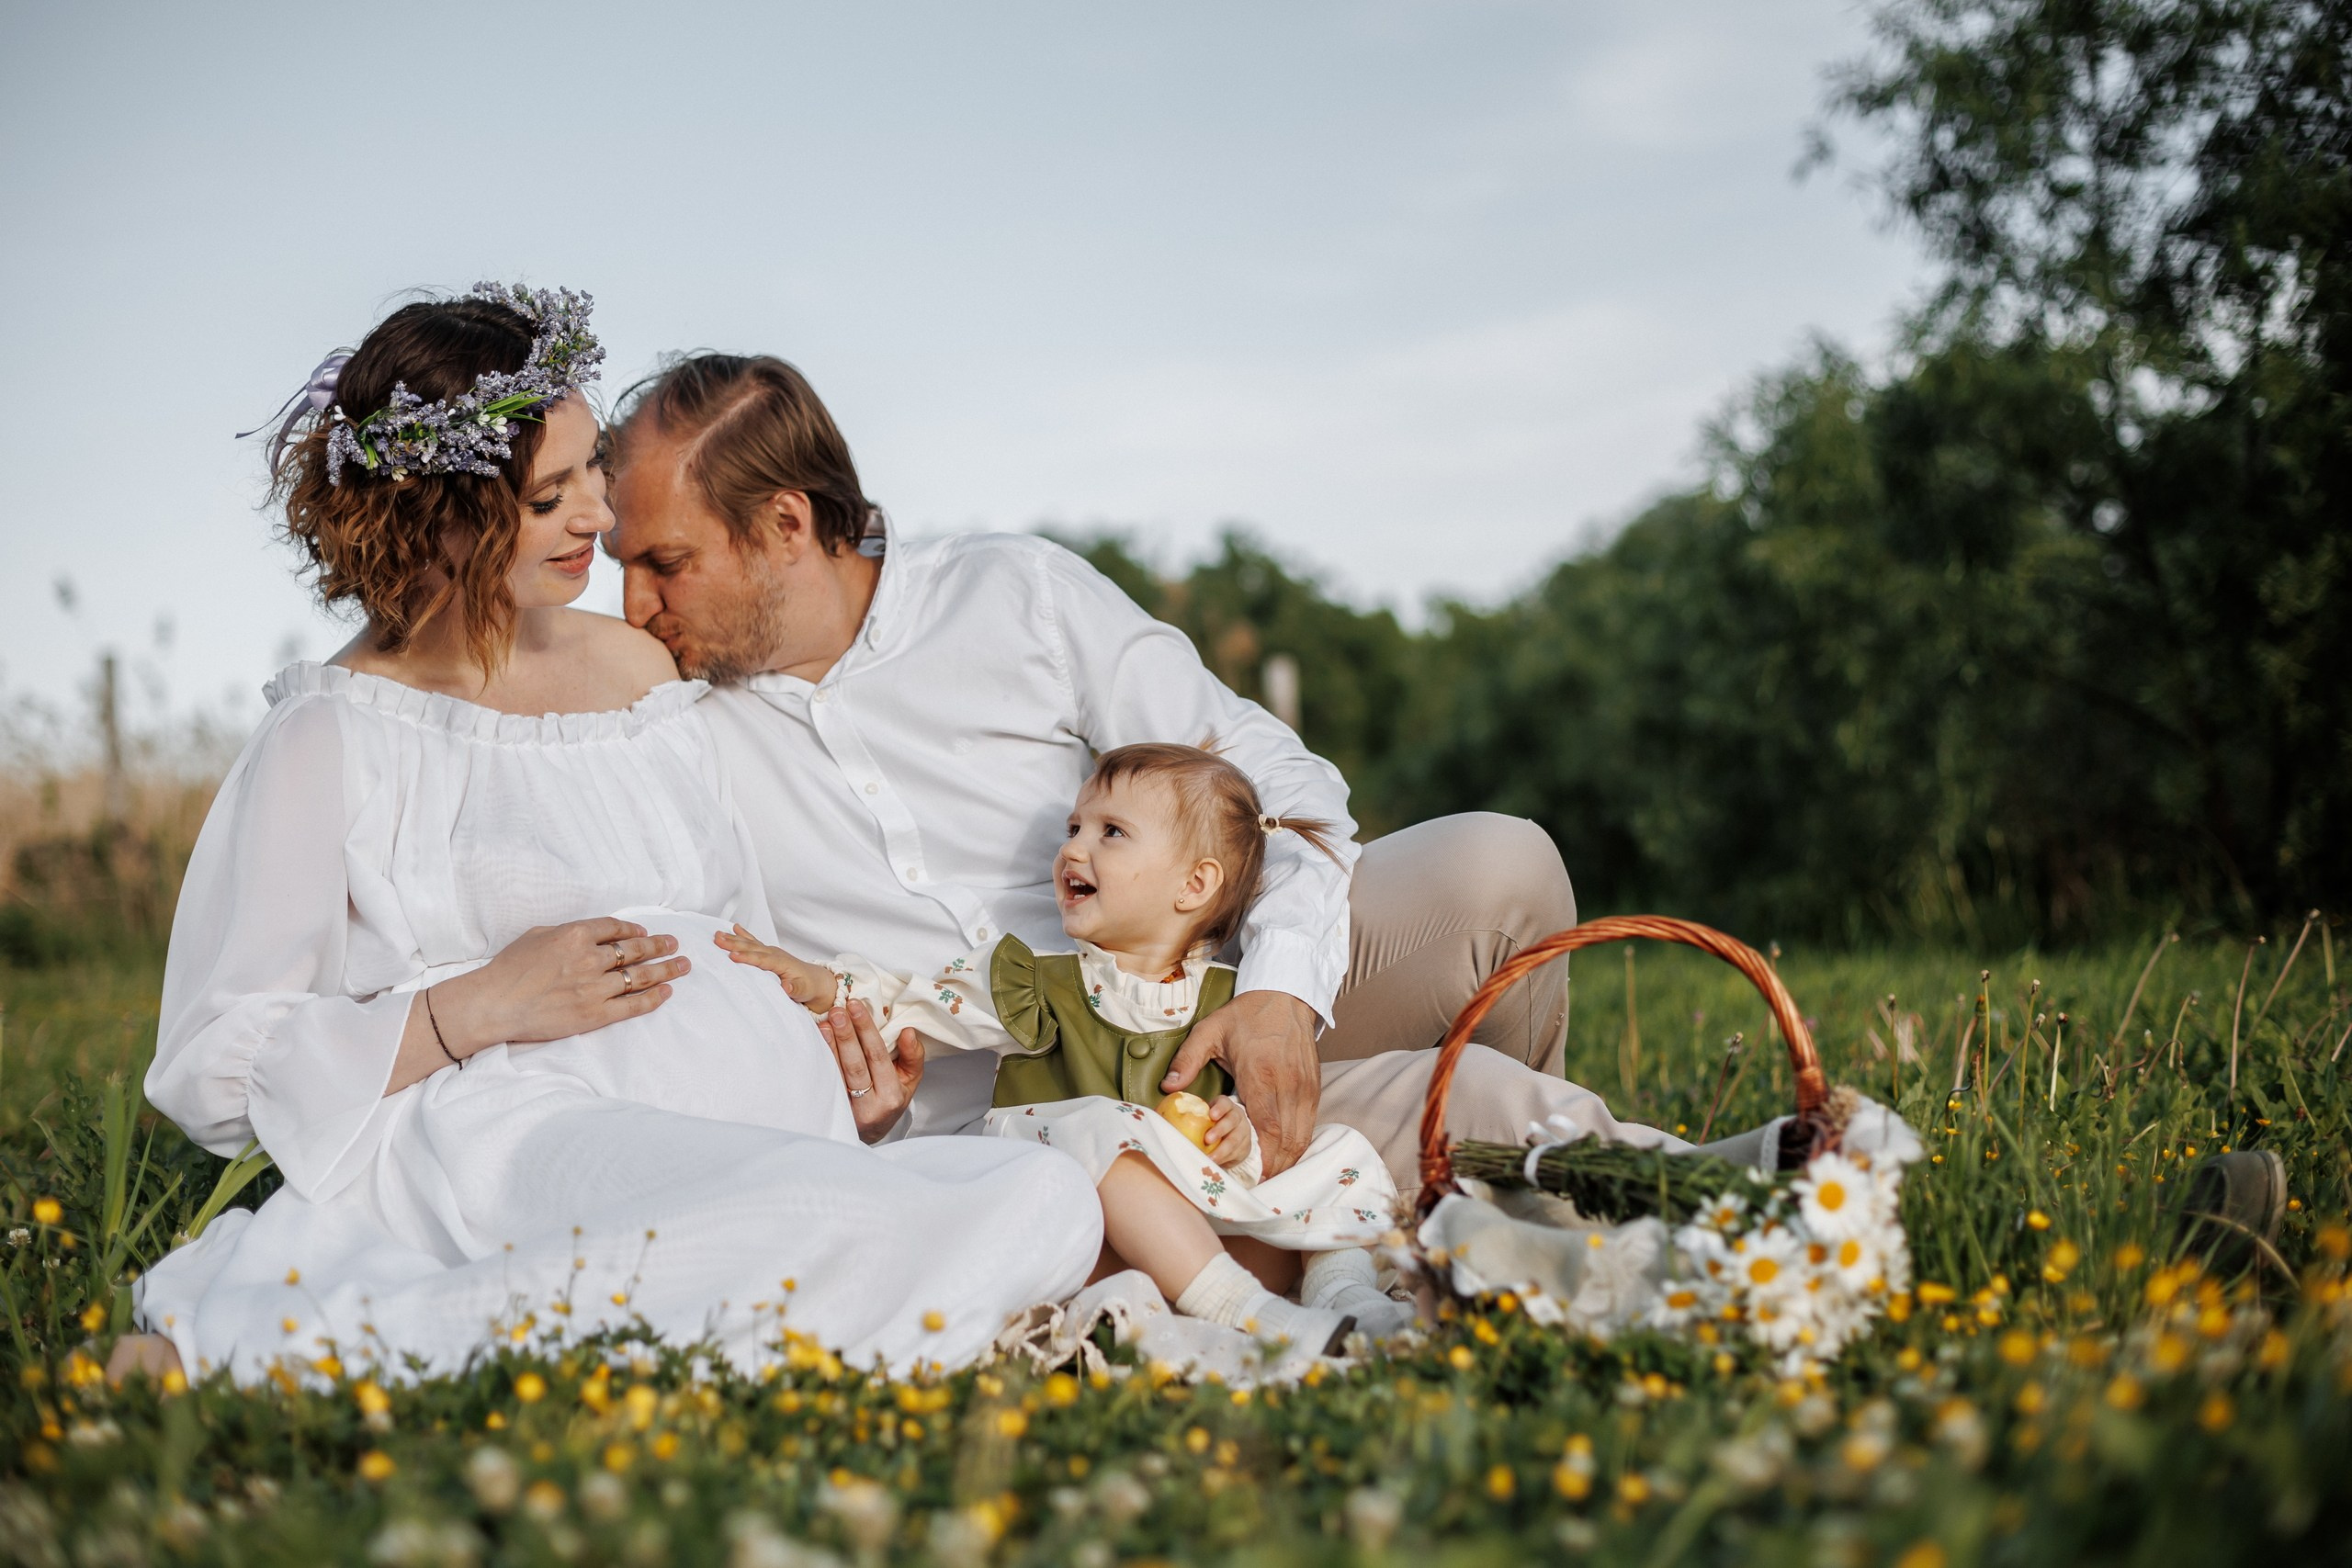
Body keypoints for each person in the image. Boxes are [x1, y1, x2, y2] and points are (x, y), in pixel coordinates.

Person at [119, 287, 1102, 1385]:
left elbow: (744, 930)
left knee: (1049, 1198)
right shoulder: (334, 732)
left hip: (788, 1122)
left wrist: (849, 1083)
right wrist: (473, 1008)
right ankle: (281, 1353)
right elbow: (211, 1066)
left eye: (592, 468)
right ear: (441, 515)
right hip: (521, 1124)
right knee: (841, 1221)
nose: (599, 515)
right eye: (551, 493)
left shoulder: (643, 672)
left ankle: (755, 1288)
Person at [605, 355, 1727, 1211]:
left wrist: (1278, 993)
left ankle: (1471, 1198)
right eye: (624, 569)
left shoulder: (1015, 597)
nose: (634, 609)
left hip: (1209, 1017)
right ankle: (1450, 1188)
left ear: (786, 526)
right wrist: (857, 1110)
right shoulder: (669, 728)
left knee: (1502, 867)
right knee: (1461, 1102)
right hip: (1031, 1138)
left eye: (665, 564)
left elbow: (1277, 787)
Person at [719, 741, 1416, 1350]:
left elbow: (1237, 1125)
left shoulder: (1229, 1002)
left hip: (1184, 1221)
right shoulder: (1037, 982)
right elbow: (914, 1000)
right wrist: (818, 981)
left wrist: (1240, 1140)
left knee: (1339, 1151)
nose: (1073, 848)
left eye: (1112, 832)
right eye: (1074, 826)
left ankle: (1343, 1296)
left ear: (1195, 884)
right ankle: (1244, 1310)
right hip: (1071, 1206)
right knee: (1102, 1126)